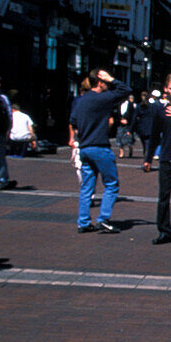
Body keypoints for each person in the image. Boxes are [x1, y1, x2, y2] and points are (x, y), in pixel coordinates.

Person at [69, 69, 131, 232]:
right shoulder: (103, 99)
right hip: (100, 147)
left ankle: (83, 222)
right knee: (111, 184)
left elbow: (73, 121)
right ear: (100, 82)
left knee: (87, 187)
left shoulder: (81, 100)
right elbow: (126, 90)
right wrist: (112, 79)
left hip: (85, 147)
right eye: (105, 82)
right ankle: (103, 218)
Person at [143, 75, 171, 244]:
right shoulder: (159, 111)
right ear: (166, 89)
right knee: (163, 196)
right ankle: (164, 230)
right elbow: (154, 135)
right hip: (166, 157)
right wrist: (148, 158)